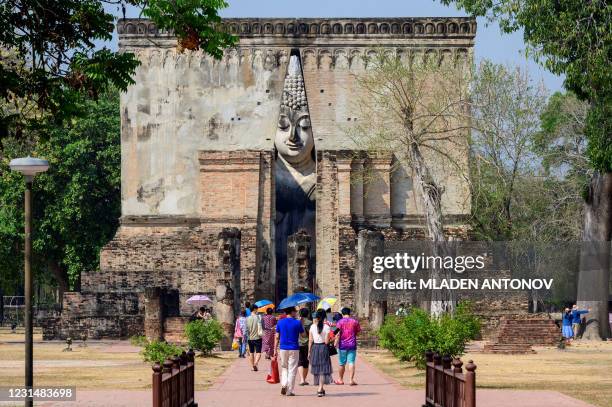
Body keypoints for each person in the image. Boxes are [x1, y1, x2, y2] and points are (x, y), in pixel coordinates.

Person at [274, 307, 304, 396]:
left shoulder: (280, 322)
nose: (296, 313)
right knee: (292, 369)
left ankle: (284, 384)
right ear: (292, 312)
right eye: (295, 311)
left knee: (284, 367)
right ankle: (289, 390)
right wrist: (301, 324)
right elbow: (303, 334)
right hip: (294, 348)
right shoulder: (297, 322)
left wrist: (275, 349)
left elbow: (276, 336)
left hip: (283, 348)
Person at [309, 309, 333, 397]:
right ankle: (320, 388)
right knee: (323, 369)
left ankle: (320, 388)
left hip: (315, 347)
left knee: (317, 369)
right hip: (323, 347)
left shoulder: (312, 326)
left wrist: (309, 351)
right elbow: (327, 342)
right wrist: (333, 339)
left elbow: (310, 340)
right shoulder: (326, 327)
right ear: (324, 317)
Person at [334, 307, 361, 386]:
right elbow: (358, 332)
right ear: (349, 313)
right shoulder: (355, 322)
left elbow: (337, 333)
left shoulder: (340, 322)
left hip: (342, 345)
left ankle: (340, 380)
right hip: (352, 344)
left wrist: (335, 341)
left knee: (341, 363)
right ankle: (351, 380)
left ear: (342, 314)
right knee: (351, 362)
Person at [298, 308, 312, 386]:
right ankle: (304, 379)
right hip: (307, 344)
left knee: (300, 361)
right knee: (306, 362)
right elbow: (311, 334)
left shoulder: (297, 322)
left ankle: (301, 379)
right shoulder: (310, 323)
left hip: (298, 343)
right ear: (307, 314)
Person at [247, 304, 263, 371]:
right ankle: (256, 363)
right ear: (254, 309)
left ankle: (252, 365)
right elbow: (262, 326)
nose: (257, 310)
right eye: (257, 309)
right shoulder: (259, 317)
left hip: (250, 338)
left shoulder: (247, 318)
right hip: (258, 337)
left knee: (251, 352)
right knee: (258, 352)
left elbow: (246, 329)